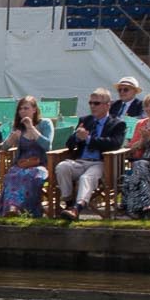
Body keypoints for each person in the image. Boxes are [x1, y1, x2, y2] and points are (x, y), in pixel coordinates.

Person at [55, 89, 127, 219]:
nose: (92, 106)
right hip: (81, 160)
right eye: (90, 103)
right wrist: (77, 137)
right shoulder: (85, 120)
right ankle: (69, 202)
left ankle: (77, 208)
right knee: (62, 167)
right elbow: (69, 144)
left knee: (86, 178)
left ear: (107, 104)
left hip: (101, 162)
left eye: (96, 103)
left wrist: (88, 139)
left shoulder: (117, 124)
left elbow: (115, 143)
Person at [0, 97, 53, 218]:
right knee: (12, 174)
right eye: (20, 109)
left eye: (26, 108)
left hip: (40, 164)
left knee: (30, 175)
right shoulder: (18, 127)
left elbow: (48, 145)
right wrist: (10, 140)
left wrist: (31, 128)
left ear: (34, 110)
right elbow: (3, 148)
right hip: (21, 163)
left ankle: (24, 210)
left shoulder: (45, 124)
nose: (22, 111)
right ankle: (13, 207)